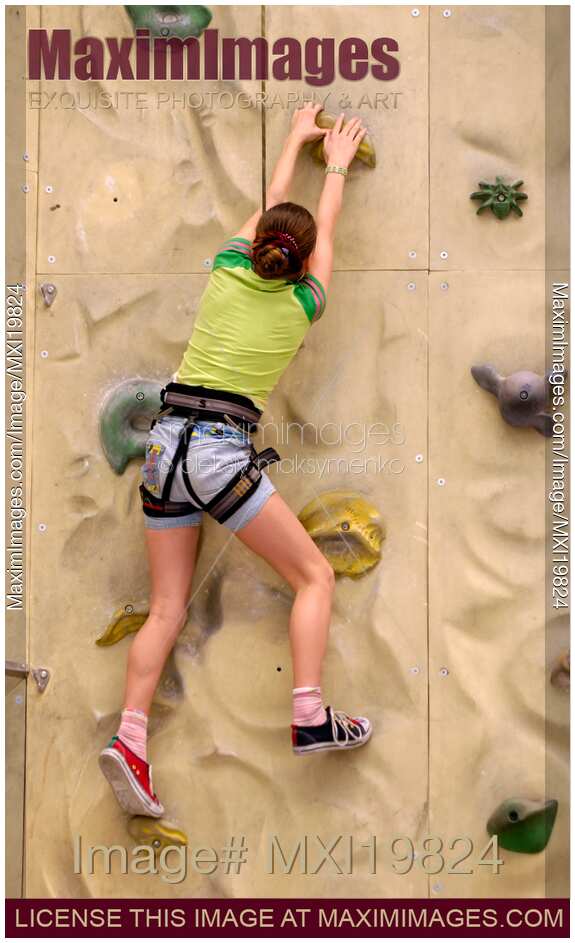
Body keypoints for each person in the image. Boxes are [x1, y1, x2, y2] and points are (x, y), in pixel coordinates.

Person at [99, 103, 372, 818]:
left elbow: (263, 211)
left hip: (165, 448)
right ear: (302, 263)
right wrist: (336, 160)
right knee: (312, 574)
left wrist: (293, 137)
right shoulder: (305, 301)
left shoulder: (225, 270)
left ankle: (129, 740)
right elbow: (327, 225)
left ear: (255, 245)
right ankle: (310, 712)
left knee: (165, 605)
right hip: (220, 454)